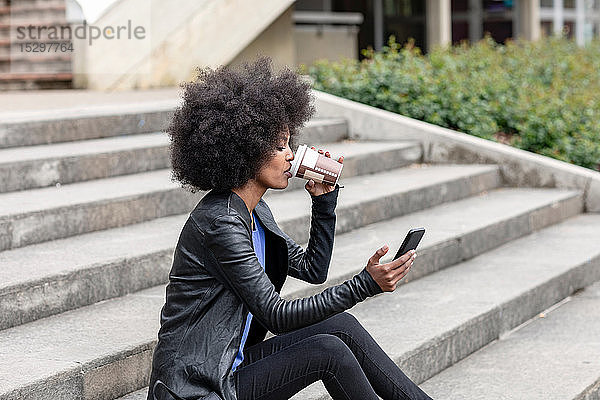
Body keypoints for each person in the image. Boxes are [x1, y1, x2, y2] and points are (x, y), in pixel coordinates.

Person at [147, 57, 432, 400]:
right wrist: (366, 285)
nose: (291, 157)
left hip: (226, 365)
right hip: (196, 386)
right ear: (245, 149)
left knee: (342, 327)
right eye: (280, 146)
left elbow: (313, 269)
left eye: (290, 145)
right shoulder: (220, 222)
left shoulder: (255, 212)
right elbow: (277, 315)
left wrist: (323, 203)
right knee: (329, 351)